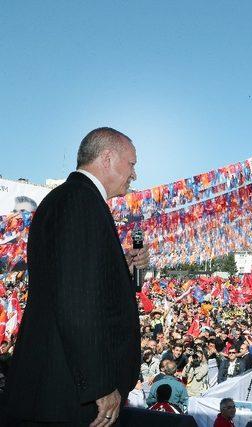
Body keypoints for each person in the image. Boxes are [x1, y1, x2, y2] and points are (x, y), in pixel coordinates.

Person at [5, 127, 149, 426]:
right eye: (132, 164)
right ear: (107, 158)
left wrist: (124, 268)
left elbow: (79, 281)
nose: (134, 174)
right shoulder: (81, 203)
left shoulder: (73, 200)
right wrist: (98, 383)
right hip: (68, 395)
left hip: (62, 387)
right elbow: (77, 301)